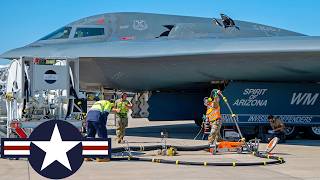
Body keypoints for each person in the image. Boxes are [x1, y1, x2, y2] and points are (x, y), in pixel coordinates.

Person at [85, 97, 115, 162]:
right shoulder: (109, 103)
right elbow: (105, 113)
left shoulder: (98, 103)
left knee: (90, 136)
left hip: (89, 118)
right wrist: (103, 125)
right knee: (103, 136)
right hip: (97, 118)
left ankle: (87, 156)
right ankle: (101, 157)